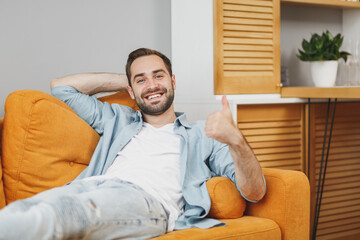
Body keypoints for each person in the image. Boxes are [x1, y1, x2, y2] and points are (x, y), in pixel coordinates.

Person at [0, 48, 266, 240]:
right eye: (141, 80)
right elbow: (61, 88)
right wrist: (130, 82)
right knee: (25, 211)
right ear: (130, 90)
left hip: (147, 200)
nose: (151, 85)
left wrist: (236, 140)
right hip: (87, 187)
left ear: (173, 81)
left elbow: (255, 192)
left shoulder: (203, 135)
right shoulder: (118, 119)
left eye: (159, 76)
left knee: (60, 218)